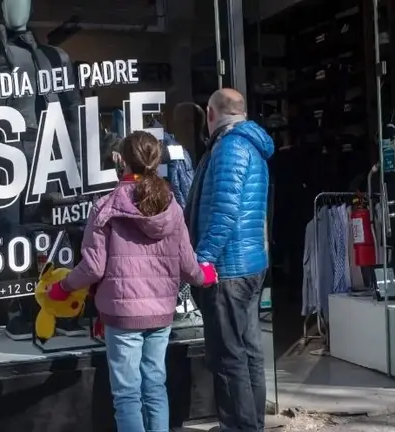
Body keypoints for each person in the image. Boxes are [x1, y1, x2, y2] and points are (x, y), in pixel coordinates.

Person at [47, 131, 218, 432]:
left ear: (121, 161)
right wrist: (204, 275)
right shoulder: (172, 207)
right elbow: (188, 265)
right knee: (155, 386)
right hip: (161, 312)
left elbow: (93, 267)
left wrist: (62, 288)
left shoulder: (105, 207)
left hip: (123, 314)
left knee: (127, 394)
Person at [186, 88, 274, 431]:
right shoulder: (251, 145)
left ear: (211, 114)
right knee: (248, 352)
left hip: (228, 270)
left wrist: (201, 261)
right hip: (249, 264)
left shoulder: (230, 147)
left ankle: (240, 427)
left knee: (229, 357)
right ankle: (251, 424)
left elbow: (224, 211)